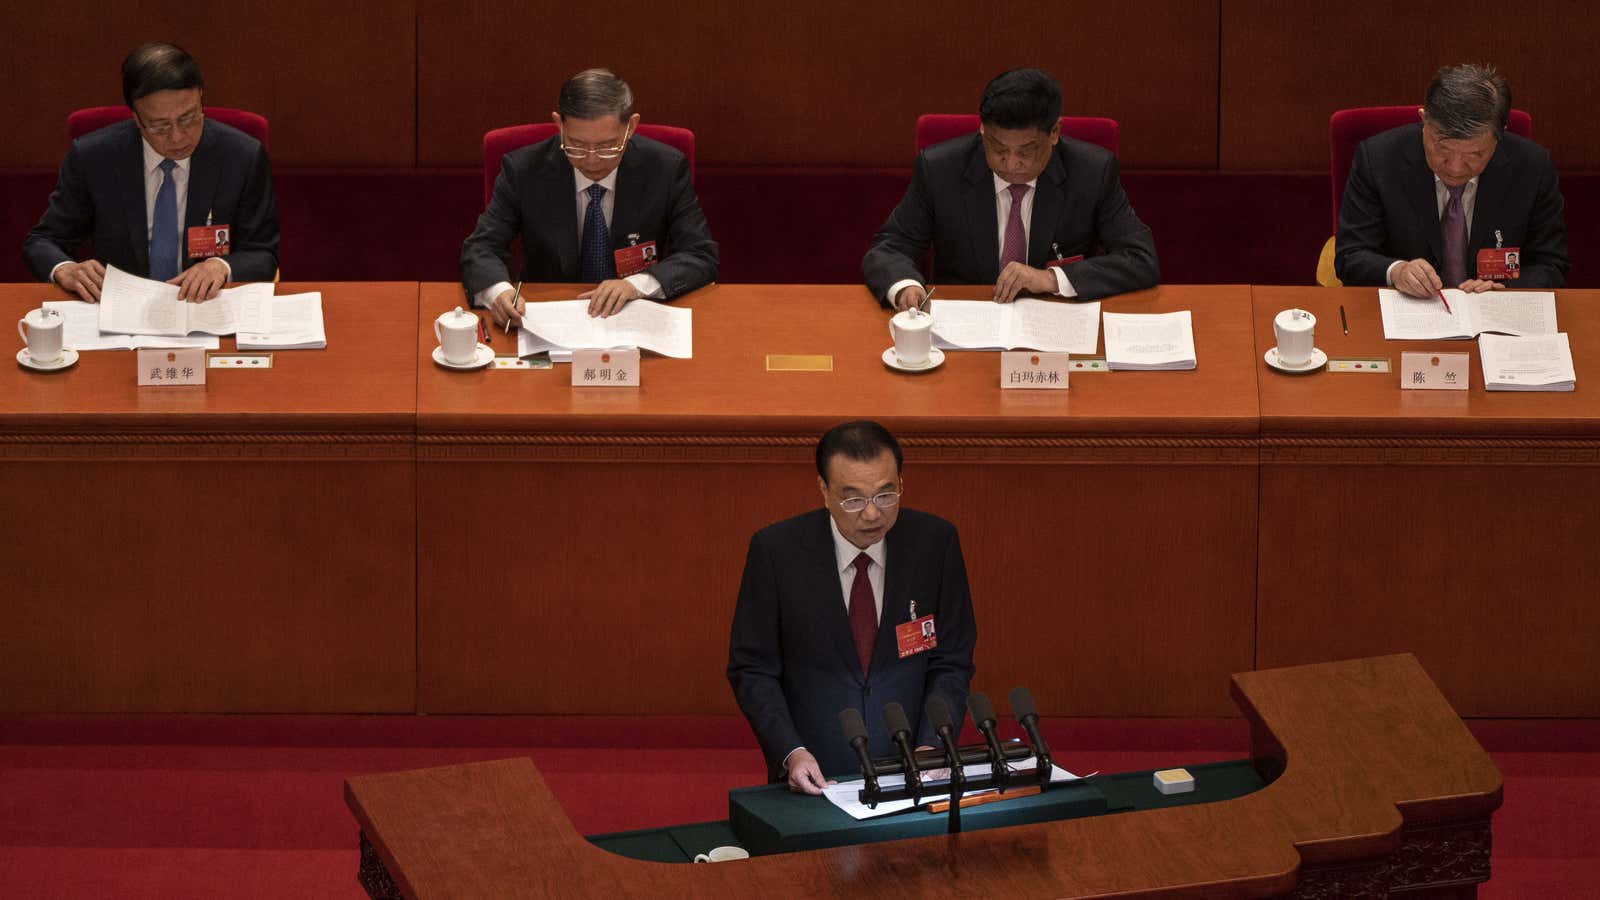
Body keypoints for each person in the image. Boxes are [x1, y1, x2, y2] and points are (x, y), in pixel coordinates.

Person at [727, 421, 977, 793]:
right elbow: (752, 669)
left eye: (886, 495)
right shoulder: (776, 553)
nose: (873, 514)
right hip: (815, 775)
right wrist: (790, 752)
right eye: (854, 499)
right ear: (824, 491)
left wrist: (932, 745)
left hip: (915, 770)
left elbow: (951, 659)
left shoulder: (935, 544)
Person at [863, 67, 1158, 311]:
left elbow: (1140, 259)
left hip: (1054, 326)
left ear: (1055, 132)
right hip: (965, 324)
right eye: (997, 147)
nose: (1011, 164)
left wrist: (1050, 279)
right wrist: (905, 287)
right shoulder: (940, 169)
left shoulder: (1093, 172)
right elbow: (890, 247)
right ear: (982, 129)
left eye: (1026, 151)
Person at [22, 42, 279, 303]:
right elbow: (43, 240)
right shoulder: (94, 158)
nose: (178, 137)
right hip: (120, 311)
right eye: (160, 126)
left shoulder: (242, 157)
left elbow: (263, 254)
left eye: (188, 118)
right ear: (136, 118)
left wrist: (220, 267)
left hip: (205, 307)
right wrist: (65, 269)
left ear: (200, 97)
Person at [461, 68, 719, 323]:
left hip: (634, 314)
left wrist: (637, 285)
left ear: (631, 126)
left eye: (607, 146)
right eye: (577, 145)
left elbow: (700, 254)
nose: (592, 160)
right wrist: (499, 292)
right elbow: (482, 247)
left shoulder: (665, 168)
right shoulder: (523, 170)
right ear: (559, 124)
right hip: (548, 315)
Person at [1335, 63, 1568, 294]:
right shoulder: (1378, 160)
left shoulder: (1533, 167)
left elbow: (1550, 264)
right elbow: (1351, 255)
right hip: (1408, 316)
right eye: (1443, 149)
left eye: (1475, 154)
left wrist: (1503, 290)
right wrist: (1396, 271)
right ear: (1424, 120)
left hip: (1493, 321)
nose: (1456, 168)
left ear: (1500, 133)